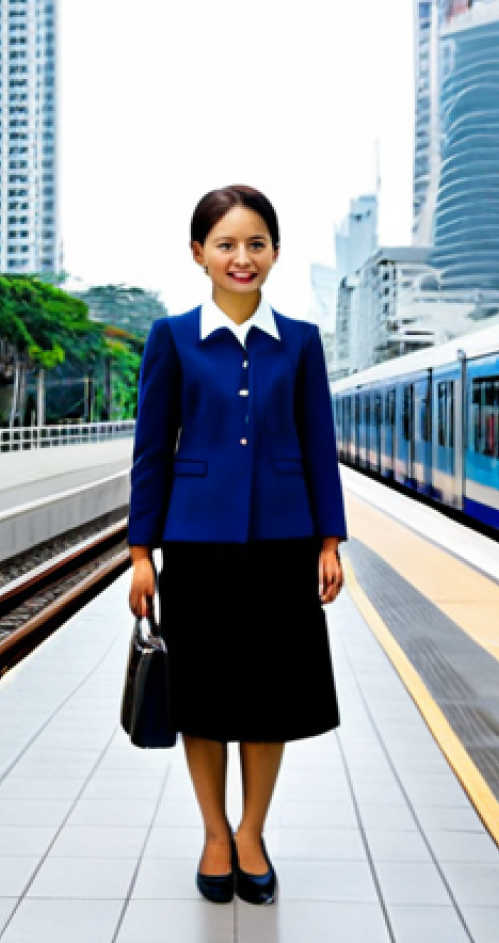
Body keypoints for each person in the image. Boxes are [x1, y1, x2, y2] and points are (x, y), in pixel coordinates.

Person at [127, 185, 347, 906]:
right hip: (197, 548)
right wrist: (140, 553)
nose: (241, 257)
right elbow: (152, 451)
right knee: (206, 698)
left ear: (275, 253)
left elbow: (319, 446)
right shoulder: (172, 339)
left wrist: (329, 539)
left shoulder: (303, 343)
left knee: (270, 698)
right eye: (225, 244)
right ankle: (214, 834)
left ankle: (252, 832)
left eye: (255, 243)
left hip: (283, 544)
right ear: (199, 254)